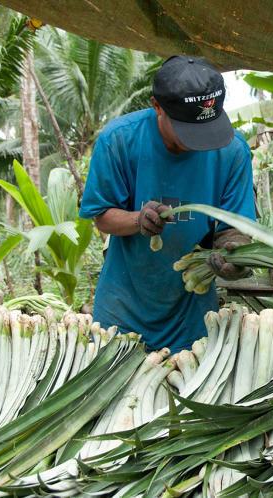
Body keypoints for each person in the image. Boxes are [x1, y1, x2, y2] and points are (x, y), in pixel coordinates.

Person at [79, 56, 255, 353]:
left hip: (193, 310)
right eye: (188, 130)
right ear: (157, 106)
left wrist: (235, 255)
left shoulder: (232, 152)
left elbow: (233, 229)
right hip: (123, 306)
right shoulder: (119, 140)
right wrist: (138, 219)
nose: (200, 142)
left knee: (188, 392)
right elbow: (102, 217)